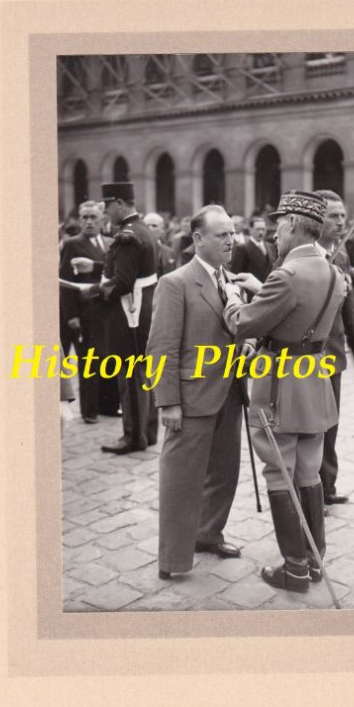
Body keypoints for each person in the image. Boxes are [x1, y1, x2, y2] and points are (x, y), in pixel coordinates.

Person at [224, 190, 346, 594]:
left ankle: (293, 568)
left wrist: (232, 300)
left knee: (279, 469)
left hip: (280, 385)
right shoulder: (334, 273)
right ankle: (313, 561)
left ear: (294, 224)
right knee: (308, 471)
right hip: (315, 380)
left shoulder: (287, 275)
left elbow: (245, 324)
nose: (275, 234)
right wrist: (265, 290)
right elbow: (295, 313)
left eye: (279, 225)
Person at [146, 205, 244, 579]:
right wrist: (168, 402)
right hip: (190, 400)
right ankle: (173, 560)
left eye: (232, 234)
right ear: (198, 240)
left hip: (229, 395)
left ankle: (208, 534)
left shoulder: (228, 280)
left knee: (225, 472)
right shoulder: (176, 283)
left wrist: (244, 348)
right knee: (181, 481)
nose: (231, 241)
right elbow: (161, 348)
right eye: (222, 235)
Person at [313, 190, 354, 505]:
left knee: (331, 424)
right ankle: (308, 489)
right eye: (333, 216)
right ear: (316, 220)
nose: (341, 221)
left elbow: (351, 311)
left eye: (342, 215)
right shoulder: (297, 254)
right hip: (304, 359)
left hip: (332, 355)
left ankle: (327, 486)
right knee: (312, 427)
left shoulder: (343, 254)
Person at [99, 181, 157, 455]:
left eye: (108, 206)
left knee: (130, 376)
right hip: (143, 311)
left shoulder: (126, 236)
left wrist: (98, 291)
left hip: (128, 314)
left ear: (120, 203)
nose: (106, 212)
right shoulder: (143, 230)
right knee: (143, 374)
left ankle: (133, 437)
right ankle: (149, 431)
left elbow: (122, 280)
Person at [59, 200, 118, 423]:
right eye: (85, 217)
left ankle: (110, 406)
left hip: (108, 312)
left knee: (110, 358)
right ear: (80, 220)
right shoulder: (73, 244)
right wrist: (71, 315)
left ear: (102, 219)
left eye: (93, 217)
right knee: (89, 362)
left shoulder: (111, 243)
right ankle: (90, 410)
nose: (89, 222)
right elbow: (65, 282)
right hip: (86, 314)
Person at [230, 214, 274, 283]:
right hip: (250, 291)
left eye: (263, 229)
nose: (261, 232)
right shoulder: (242, 249)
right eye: (258, 229)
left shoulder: (271, 247)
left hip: (269, 289)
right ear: (250, 230)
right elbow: (236, 274)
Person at [143, 212, 177, 276]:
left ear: (162, 230)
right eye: (146, 225)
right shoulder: (136, 250)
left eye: (154, 226)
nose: (150, 228)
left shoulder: (169, 252)